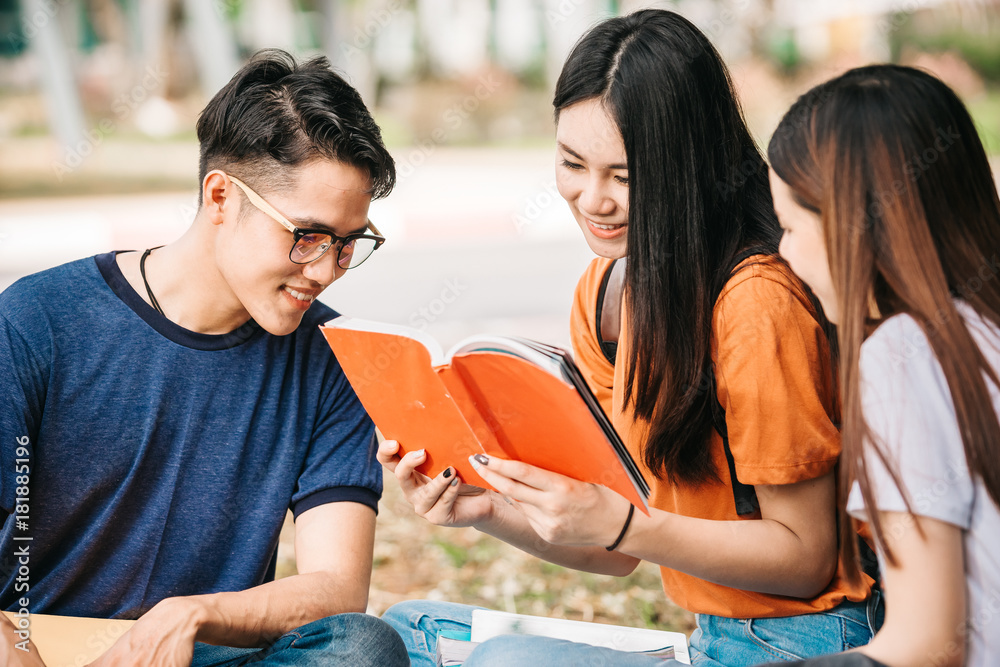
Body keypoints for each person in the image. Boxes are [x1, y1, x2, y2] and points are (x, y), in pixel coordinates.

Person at [379, 10, 880, 667]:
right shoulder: (607, 292)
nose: (593, 198)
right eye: (572, 164)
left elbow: (807, 558)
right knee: (407, 630)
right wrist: (486, 508)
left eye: (623, 174)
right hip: (715, 639)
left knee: (505, 661)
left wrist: (624, 523)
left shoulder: (756, 301)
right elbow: (613, 549)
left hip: (812, 642)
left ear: (689, 165)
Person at [0, 50, 408, 666]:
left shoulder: (334, 358)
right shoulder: (37, 323)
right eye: (307, 236)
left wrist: (194, 613)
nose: (325, 270)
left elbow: (337, 590)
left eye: (349, 244)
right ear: (220, 196)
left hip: (206, 652)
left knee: (361, 647)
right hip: (38, 647)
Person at [767, 64, 1000, 667]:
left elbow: (925, 647)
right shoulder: (980, 328)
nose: (783, 254)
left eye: (790, 227)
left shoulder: (902, 357)